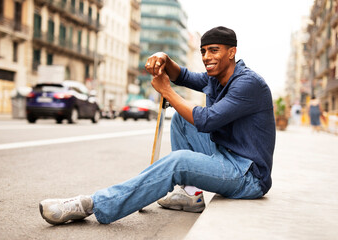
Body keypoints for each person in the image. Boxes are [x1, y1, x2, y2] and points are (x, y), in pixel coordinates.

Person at [39, 26, 276, 225]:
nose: (206, 57)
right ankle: (190, 195)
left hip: (248, 175)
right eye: (203, 51)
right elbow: (182, 75)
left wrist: (165, 91)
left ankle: (93, 204)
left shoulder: (248, 84)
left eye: (214, 51)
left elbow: (206, 120)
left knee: (178, 162)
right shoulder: (215, 78)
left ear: (232, 52)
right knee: (183, 119)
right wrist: (164, 57)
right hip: (225, 155)